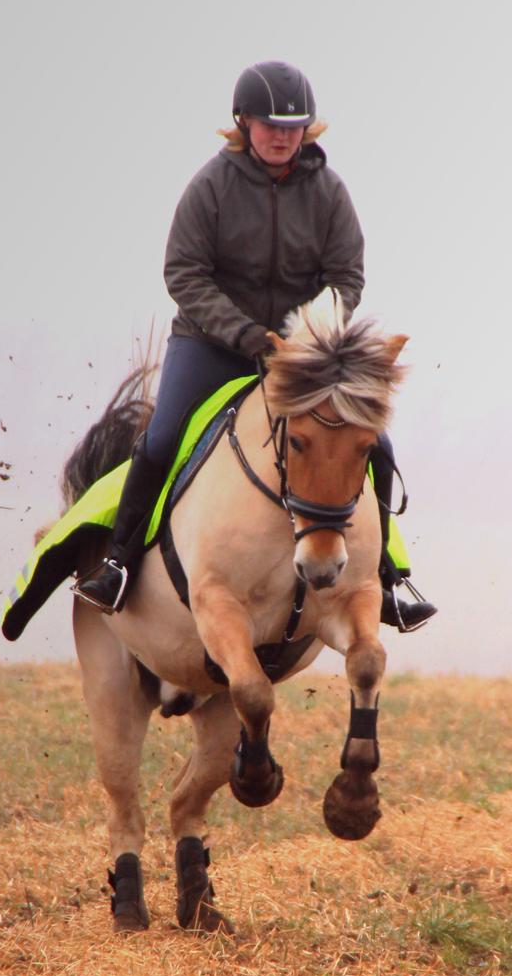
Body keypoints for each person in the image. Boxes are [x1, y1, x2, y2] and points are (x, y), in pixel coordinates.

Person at [76, 60, 435, 631]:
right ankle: (118, 562)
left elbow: (347, 277)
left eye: (293, 127)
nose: (281, 135)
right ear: (243, 123)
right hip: (212, 344)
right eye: (270, 125)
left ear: (307, 131)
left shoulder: (329, 192)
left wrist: (306, 337)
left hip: (301, 356)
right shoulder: (210, 187)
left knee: (379, 444)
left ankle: (388, 579)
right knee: (163, 437)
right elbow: (184, 274)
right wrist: (245, 335)